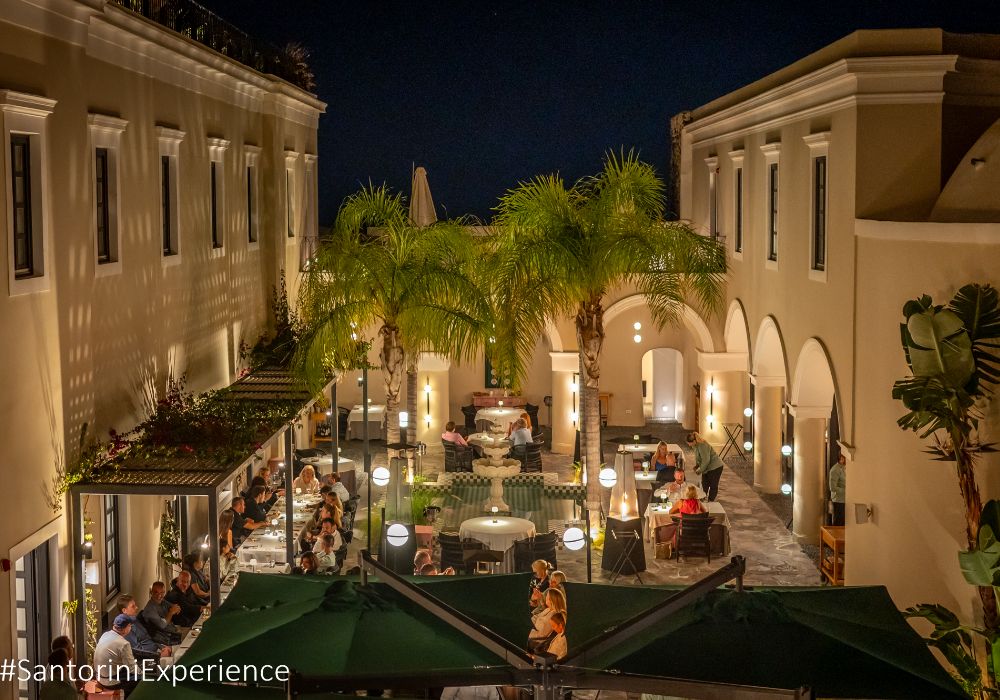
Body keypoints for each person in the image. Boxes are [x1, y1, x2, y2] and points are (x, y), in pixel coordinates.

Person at [115, 594, 170, 660]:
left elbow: (148, 639)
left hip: (157, 651)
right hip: (152, 659)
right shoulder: (126, 628)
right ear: (124, 610)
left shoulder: (135, 620)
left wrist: (162, 647)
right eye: (133, 606)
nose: (136, 607)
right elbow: (138, 652)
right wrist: (159, 655)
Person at [94, 614, 139, 693]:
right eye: (130, 626)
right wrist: (144, 673)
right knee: (139, 678)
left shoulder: (105, 635)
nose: (131, 628)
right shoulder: (124, 644)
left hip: (99, 677)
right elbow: (132, 668)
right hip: (111, 682)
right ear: (125, 629)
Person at [686, 431, 724, 502]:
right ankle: (702, 499)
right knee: (704, 484)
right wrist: (697, 466)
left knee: (713, 485)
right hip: (706, 468)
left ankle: (711, 500)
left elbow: (706, 460)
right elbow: (699, 457)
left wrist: (700, 470)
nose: (689, 445)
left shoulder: (702, 445)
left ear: (694, 441)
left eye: (689, 443)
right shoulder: (695, 446)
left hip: (715, 467)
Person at [829, 453, 847, 526]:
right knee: (838, 523)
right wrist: (847, 491)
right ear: (841, 458)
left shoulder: (844, 468)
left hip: (845, 499)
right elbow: (832, 487)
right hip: (838, 500)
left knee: (844, 523)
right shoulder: (835, 470)